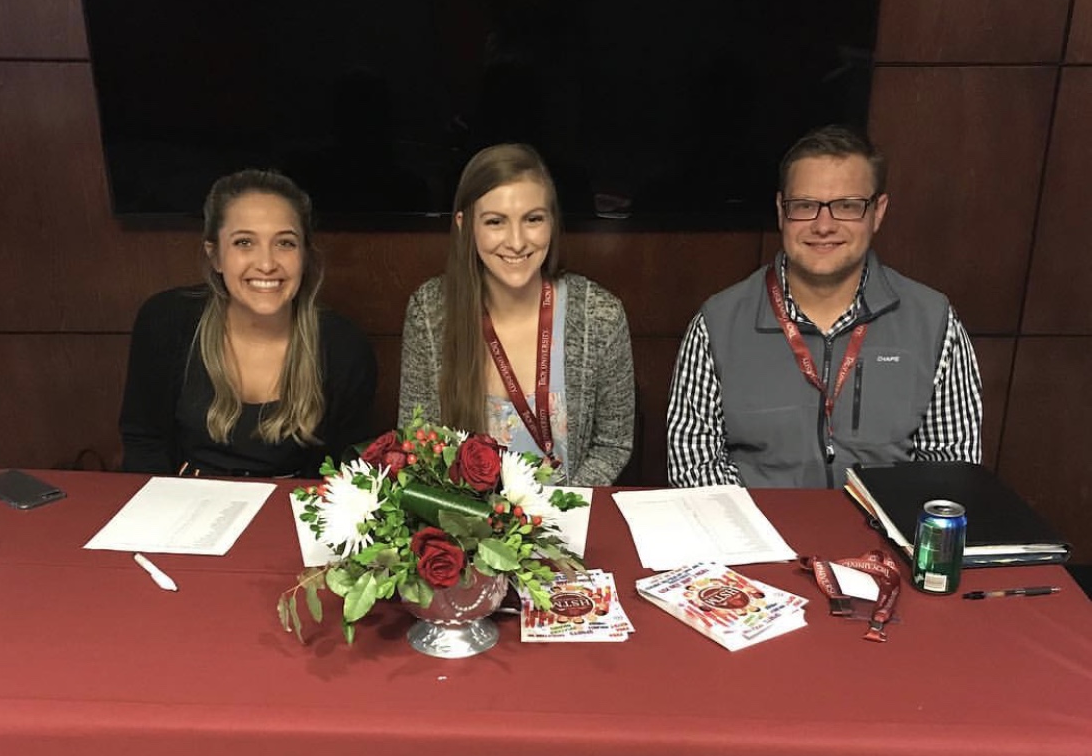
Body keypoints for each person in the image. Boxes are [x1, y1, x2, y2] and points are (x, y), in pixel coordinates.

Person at [666, 125, 982, 489]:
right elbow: (694, 465)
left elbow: (951, 468)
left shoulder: (933, 321)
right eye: (805, 206)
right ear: (782, 212)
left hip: (890, 540)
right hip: (760, 540)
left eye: (847, 206)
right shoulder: (717, 323)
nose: (823, 225)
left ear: (877, 213)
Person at [397, 143, 634, 485]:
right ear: (464, 225)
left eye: (533, 219)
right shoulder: (431, 311)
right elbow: (418, 442)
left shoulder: (601, 315)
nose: (517, 241)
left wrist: (557, 514)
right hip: (467, 525)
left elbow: (612, 445)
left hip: (570, 519)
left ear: (552, 222)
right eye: (495, 222)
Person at [119, 169, 377, 478]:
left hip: (294, 513)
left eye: (285, 243)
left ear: (305, 254)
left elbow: (346, 474)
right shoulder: (166, 320)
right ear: (215, 256)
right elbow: (143, 443)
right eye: (244, 242)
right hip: (183, 507)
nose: (267, 264)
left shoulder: (344, 346)